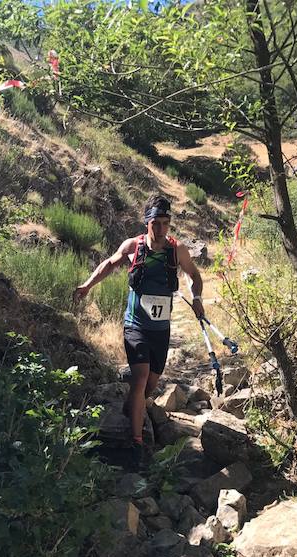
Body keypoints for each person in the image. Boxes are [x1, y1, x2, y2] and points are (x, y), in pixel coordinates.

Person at [73, 195, 204, 457]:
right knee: (140, 377)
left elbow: (194, 275)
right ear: (147, 222)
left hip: (161, 329)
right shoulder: (134, 246)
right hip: (136, 325)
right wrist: (87, 285)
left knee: (150, 385)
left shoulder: (177, 250)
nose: (160, 228)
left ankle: (130, 409)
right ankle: (136, 442)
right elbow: (109, 264)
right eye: (155, 222)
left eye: (165, 223)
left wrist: (198, 299)